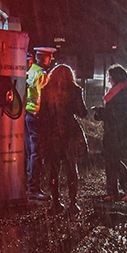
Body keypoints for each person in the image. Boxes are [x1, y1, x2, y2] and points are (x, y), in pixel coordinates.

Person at [36, 63, 87, 213]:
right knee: (71, 168)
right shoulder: (74, 90)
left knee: (53, 169)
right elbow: (82, 112)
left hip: (51, 133)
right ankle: (72, 202)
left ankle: (55, 203)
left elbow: (42, 114)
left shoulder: (46, 90)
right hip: (69, 133)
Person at [94, 64, 127, 202]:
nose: (108, 80)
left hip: (120, 133)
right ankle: (112, 192)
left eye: (110, 77)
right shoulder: (117, 92)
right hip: (113, 132)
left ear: (115, 78)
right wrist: (101, 113)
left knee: (114, 161)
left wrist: (103, 112)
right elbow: (112, 113)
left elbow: (120, 114)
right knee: (110, 162)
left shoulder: (124, 93)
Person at [24, 46, 55, 198]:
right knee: (36, 153)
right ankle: (33, 189)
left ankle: (29, 186)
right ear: (44, 58)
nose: (52, 60)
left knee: (30, 152)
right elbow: (45, 96)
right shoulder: (41, 74)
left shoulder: (31, 70)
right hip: (37, 115)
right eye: (50, 57)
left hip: (28, 114)